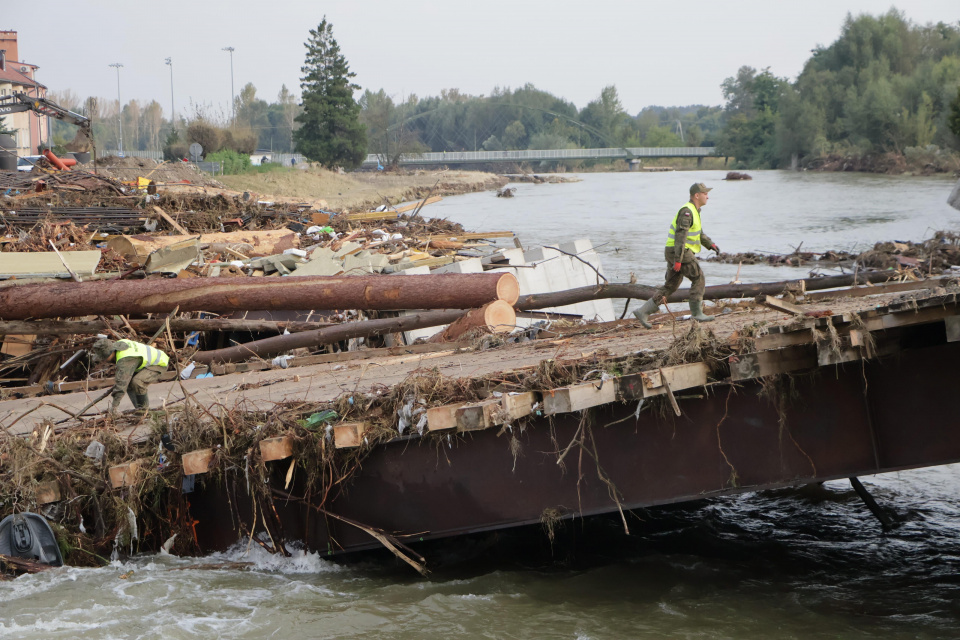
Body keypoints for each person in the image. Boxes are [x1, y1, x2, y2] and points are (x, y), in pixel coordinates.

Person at [634, 182, 721, 328]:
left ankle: (643, 311)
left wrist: (710, 244)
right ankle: (697, 314)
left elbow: (698, 233)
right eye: (705, 193)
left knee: (671, 286)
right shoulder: (687, 211)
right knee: (698, 278)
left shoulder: (695, 210)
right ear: (697, 195)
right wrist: (678, 260)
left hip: (675, 251)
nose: (708, 196)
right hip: (679, 251)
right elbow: (680, 237)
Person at [91, 338, 170, 416]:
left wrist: (114, 407)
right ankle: (139, 410)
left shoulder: (125, 360)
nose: (103, 361)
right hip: (146, 364)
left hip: (160, 363)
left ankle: (143, 412)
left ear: (109, 354)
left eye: (103, 358)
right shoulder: (120, 344)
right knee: (128, 382)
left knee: (137, 382)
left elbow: (121, 384)